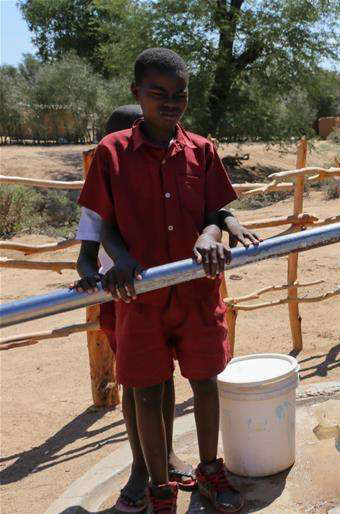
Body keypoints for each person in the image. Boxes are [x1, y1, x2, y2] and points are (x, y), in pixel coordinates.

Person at [78, 48, 244, 513]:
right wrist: (122, 258)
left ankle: (210, 469)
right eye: (159, 94)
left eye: (180, 95)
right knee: (147, 390)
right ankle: (158, 485)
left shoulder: (202, 150)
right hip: (141, 296)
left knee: (206, 380)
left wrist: (212, 235)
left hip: (196, 291)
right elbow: (103, 223)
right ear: (137, 94)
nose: (171, 103)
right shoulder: (112, 154)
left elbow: (214, 214)